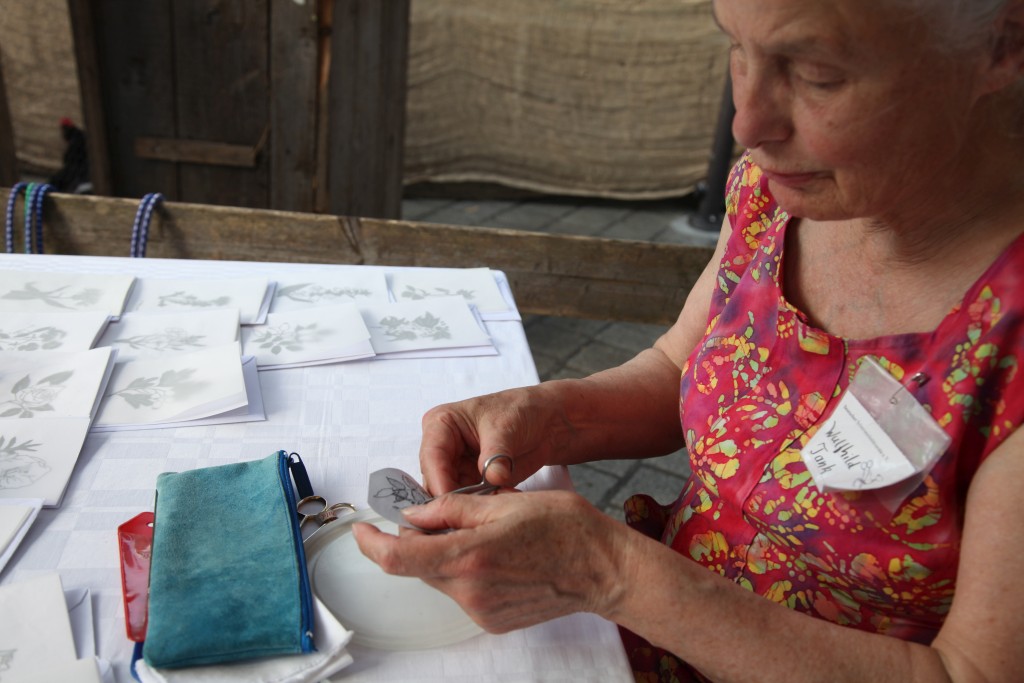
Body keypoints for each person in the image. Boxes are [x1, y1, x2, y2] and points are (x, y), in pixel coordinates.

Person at [354, 0, 1024, 679]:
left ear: (1003, 44)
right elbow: (683, 363)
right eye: (736, 48)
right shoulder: (779, 193)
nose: (747, 124)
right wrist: (549, 416)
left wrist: (610, 573)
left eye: (817, 74)